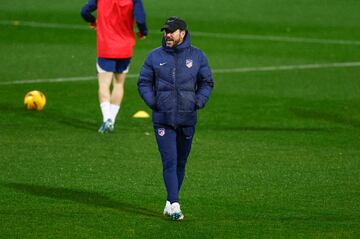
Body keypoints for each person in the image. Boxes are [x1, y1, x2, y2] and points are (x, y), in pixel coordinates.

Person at [137, 16, 214, 220]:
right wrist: (153, 102)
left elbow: (207, 82)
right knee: (170, 161)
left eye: (171, 31)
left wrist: (199, 101)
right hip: (163, 119)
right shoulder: (154, 56)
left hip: (188, 118)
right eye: (165, 31)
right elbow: (143, 82)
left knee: (181, 162)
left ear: (183, 33)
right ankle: (176, 205)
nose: (167, 35)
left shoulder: (197, 56)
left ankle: (170, 201)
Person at [81, 0, 148, 133]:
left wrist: (93, 21)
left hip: (106, 47)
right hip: (125, 48)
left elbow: (84, 11)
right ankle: (112, 119)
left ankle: (107, 119)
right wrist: (143, 32)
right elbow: (140, 18)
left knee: (104, 84)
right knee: (119, 84)